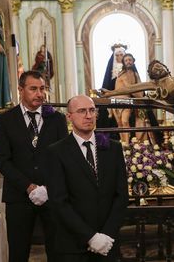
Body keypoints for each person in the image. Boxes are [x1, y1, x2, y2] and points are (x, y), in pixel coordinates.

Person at [0, 70, 68, 262]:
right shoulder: (5, 120)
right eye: (33, 89)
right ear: (21, 90)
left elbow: (65, 159)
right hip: (18, 197)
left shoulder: (57, 119)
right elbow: (3, 161)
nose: (39, 94)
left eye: (42, 88)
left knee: (58, 251)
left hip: (52, 196)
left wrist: (48, 188)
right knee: (18, 253)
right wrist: (28, 186)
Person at [46, 95, 129, 261]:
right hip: (73, 246)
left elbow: (121, 196)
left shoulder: (113, 148)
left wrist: (106, 235)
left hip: (108, 244)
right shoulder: (56, 152)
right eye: (82, 111)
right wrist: (91, 237)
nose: (89, 115)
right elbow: (59, 202)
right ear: (69, 116)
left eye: (92, 110)